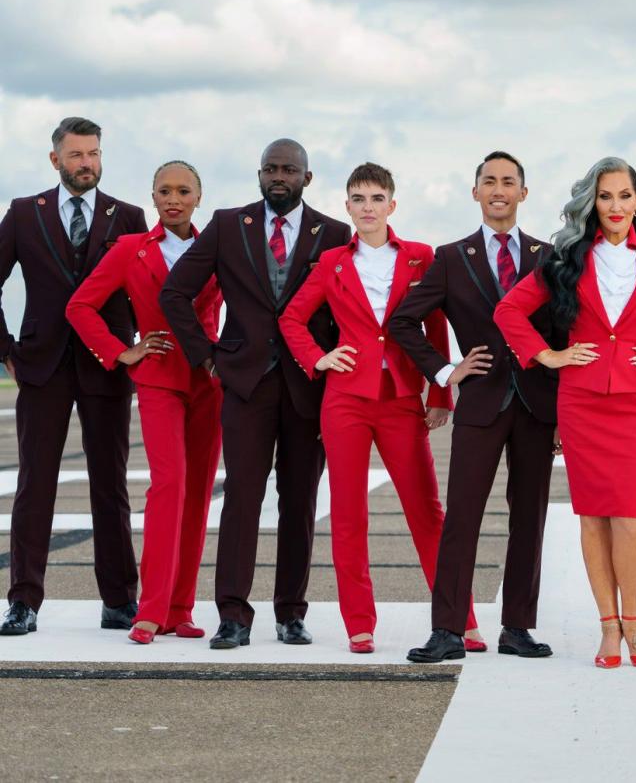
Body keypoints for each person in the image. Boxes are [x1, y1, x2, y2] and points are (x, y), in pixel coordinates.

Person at [494, 157, 636, 669]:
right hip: (581, 400)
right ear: (592, 203)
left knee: (629, 514)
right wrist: (548, 355)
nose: (616, 206)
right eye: (605, 197)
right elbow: (508, 310)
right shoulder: (567, 258)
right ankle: (607, 626)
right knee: (593, 515)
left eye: (625, 196)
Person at [160, 138, 350, 649]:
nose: (278, 176)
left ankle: (291, 613)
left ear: (307, 178)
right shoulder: (227, 225)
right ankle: (233, 616)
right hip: (244, 382)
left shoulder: (333, 233)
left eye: (289, 169)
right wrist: (206, 355)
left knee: (300, 500)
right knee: (242, 498)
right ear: (259, 175)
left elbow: (343, 308)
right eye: (270, 168)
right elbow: (174, 292)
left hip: (308, 386)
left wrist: (331, 359)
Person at [280, 162, 474, 653]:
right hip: (345, 400)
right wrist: (319, 359)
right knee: (348, 513)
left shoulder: (419, 258)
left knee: (427, 510)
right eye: (358, 199)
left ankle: (460, 616)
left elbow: (434, 329)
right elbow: (292, 321)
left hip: (403, 399)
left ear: (392, 204)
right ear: (347, 207)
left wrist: (440, 393)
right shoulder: (332, 263)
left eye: (376, 198)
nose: (367, 208)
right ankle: (359, 623)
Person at [398, 151, 560, 664]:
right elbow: (404, 321)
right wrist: (447, 371)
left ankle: (517, 626)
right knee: (462, 516)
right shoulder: (451, 257)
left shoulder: (548, 255)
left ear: (522, 193)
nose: (498, 189)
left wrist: (562, 411)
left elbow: (562, 331)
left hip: (537, 404)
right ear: (475, 193)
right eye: (488, 181)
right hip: (481, 402)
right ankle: (446, 629)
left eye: (508, 181)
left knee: (529, 518)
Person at [66, 161, 224, 644]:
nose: (173, 198)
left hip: (209, 381)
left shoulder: (218, 248)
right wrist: (121, 351)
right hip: (157, 378)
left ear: (199, 197)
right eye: (163, 191)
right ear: (152, 198)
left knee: (198, 493)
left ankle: (180, 608)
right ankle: (151, 609)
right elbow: (80, 306)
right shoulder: (131, 249)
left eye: (183, 190)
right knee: (169, 485)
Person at [0, 118, 146, 637]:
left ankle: (119, 600)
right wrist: (7, 352)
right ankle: (23, 602)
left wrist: (138, 352)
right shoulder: (23, 214)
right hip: (41, 365)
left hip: (107, 364)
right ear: (55, 159)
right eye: (77, 154)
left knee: (111, 486)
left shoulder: (128, 216)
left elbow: (145, 290)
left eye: (94, 153)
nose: (87, 162)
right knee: (34, 485)